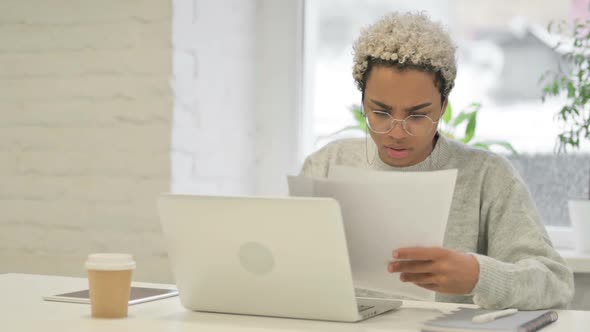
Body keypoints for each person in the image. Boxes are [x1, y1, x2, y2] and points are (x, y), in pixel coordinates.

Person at [300, 12, 573, 309]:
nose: (397, 132)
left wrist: (479, 276)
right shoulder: (326, 165)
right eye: (380, 113)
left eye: (417, 115)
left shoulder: (488, 177)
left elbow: (555, 284)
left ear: (443, 106)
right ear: (363, 101)